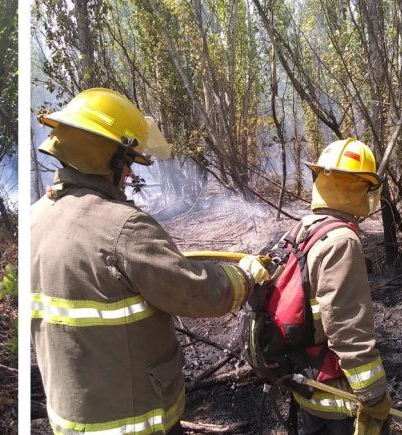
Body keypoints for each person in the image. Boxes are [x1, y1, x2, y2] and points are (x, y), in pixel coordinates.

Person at [30, 88, 269, 434]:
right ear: (108, 157)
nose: (129, 173)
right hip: (133, 420)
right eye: (127, 160)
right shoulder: (123, 226)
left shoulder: (36, 217)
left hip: (71, 418)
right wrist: (244, 276)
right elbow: (197, 292)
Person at [289, 138, 390, 435]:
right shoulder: (342, 240)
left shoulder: (305, 228)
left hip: (306, 382)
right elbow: (347, 328)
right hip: (338, 400)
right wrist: (374, 396)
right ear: (358, 187)